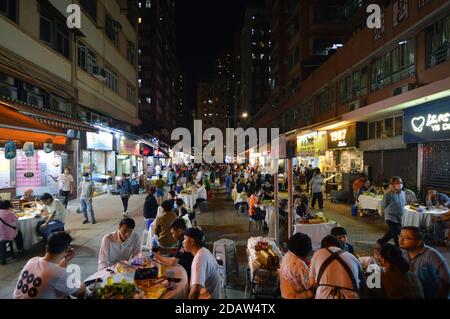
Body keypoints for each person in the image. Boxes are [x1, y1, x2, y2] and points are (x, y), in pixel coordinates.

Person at [13, 231, 86, 299]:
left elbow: (54, 272)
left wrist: (66, 260)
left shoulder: (33, 260)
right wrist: (82, 284)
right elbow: (79, 291)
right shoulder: (58, 274)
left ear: (46, 247)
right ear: (67, 249)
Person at [399, 227, 450, 299]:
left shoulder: (432, 256)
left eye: (407, 238)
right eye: (400, 236)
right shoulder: (402, 253)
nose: (401, 240)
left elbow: (446, 282)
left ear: (419, 242)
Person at [309, 235, 364, 299]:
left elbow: (312, 283)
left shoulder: (318, 253)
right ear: (339, 245)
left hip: (324, 295)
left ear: (323, 246)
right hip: (350, 296)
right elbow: (361, 280)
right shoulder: (352, 256)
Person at [184, 228, 221, 299]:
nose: (183, 242)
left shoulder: (199, 258)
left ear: (192, 241)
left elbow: (195, 291)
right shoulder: (204, 251)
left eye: (185, 239)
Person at [280, 233, 314, 299]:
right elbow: (309, 285)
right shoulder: (300, 265)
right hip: (298, 296)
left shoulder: (287, 255)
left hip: (285, 294)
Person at [377, 177, 406, 247]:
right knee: (394, 232)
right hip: (390, 216)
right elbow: (383, 205)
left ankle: (382, 241)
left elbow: (404, 203)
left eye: (401, 183)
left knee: (393, 231)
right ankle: (398, 246)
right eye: (397, 183)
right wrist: (388, 211)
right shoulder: (388, 194)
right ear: (392, 184)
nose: (400, 184)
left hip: (400, 216)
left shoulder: (403, 193)